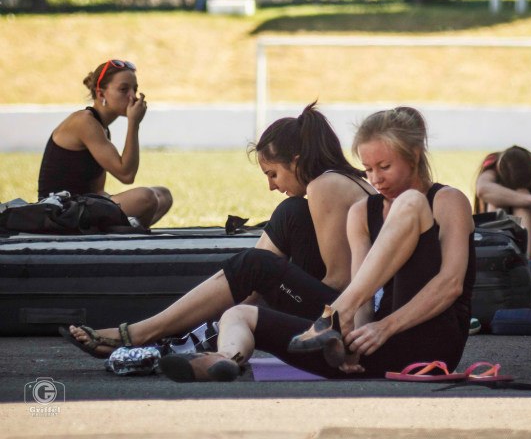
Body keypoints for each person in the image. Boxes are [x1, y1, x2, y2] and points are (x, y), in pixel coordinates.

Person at [157, 106, 475, 383]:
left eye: (385, 167)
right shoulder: (362, 213)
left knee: (411, 202)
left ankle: (334, 315)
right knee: (239, 315)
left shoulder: (447, 200)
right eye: (368, 169)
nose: (375, 178)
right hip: (377, 345)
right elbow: (366, 301)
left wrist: (386, 327)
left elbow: (450, 285)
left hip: (431, 344)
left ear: (414, 157)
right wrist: (350, 345)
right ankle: (225, 359)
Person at [63, 102, 374, 358]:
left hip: (346, 314)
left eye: (273, 174)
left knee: (254, 264)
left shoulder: (326, 185)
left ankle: (146, 332)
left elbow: (342, 282)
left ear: (296, 161)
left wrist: (273, 290)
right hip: (341, 302)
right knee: (289, 213)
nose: (271, 186)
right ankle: (205, 329)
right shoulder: (337, 182)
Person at [37, 59, 172, 227]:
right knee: (146, 198)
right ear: (101, 94)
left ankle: (125, 230)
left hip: (82, 205)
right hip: (60, 211)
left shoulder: (101, 127)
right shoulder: (84, 122)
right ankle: (127, 232)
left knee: (163, 196)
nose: (132, 96)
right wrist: (134, 124)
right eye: (124, 89)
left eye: (134, 89)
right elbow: (126, 175)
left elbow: (97, 190)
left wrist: (111, 201)